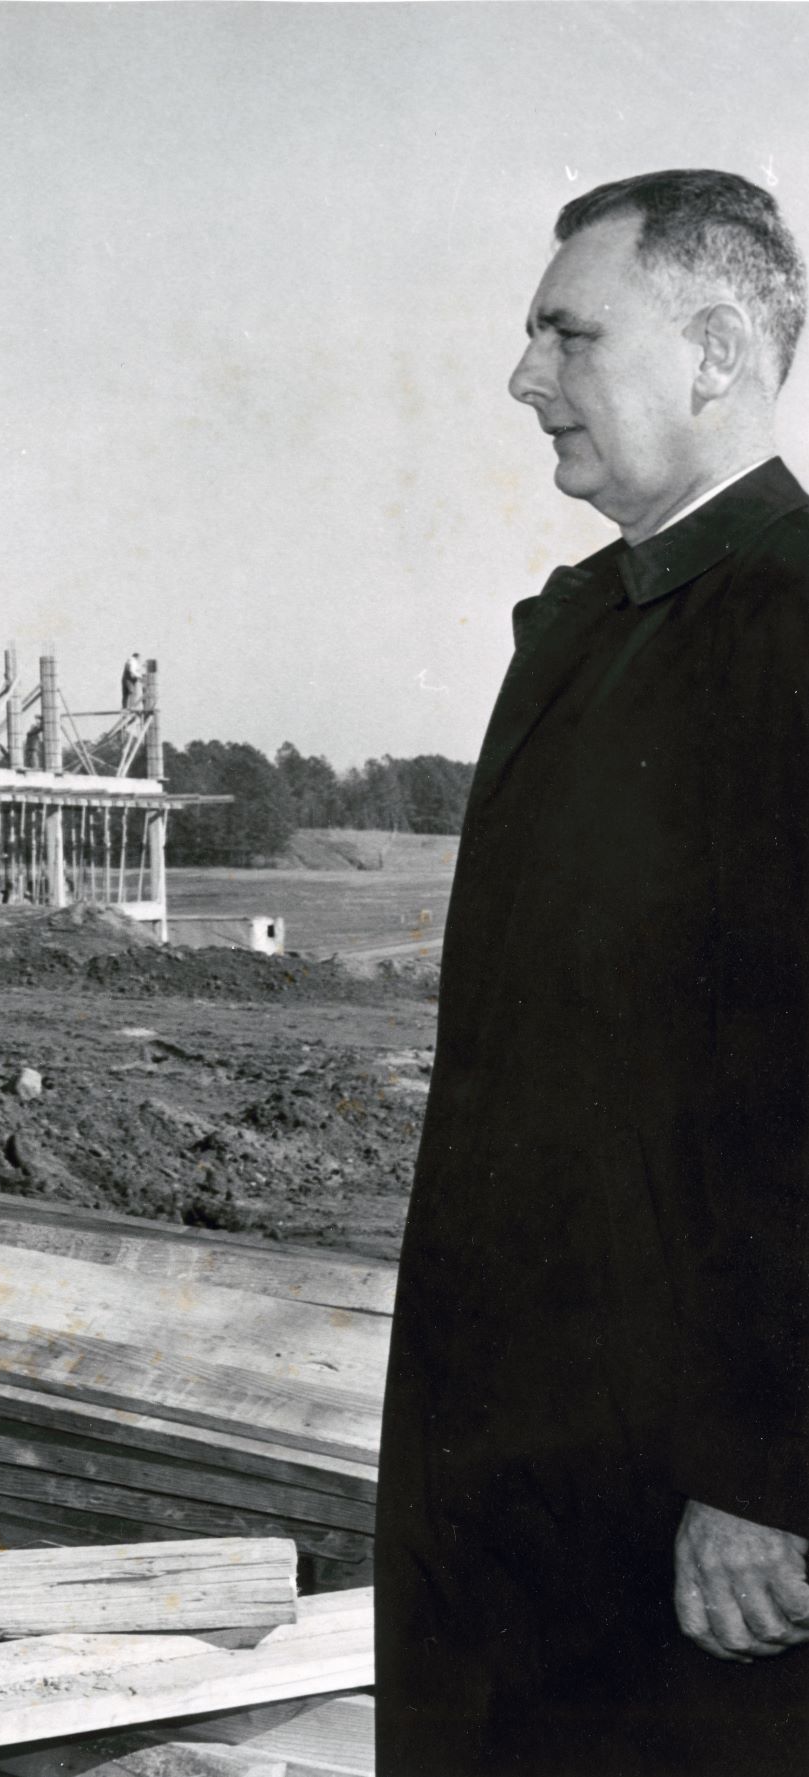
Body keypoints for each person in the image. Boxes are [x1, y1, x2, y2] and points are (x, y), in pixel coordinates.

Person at [379, 169, 809, 1775]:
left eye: (569, 332)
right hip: (504, 1469)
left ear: (711, 352)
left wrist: (775, 1470)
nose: (521, 378)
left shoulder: (792, 618)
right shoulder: (573, 631)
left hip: (692, 1508)